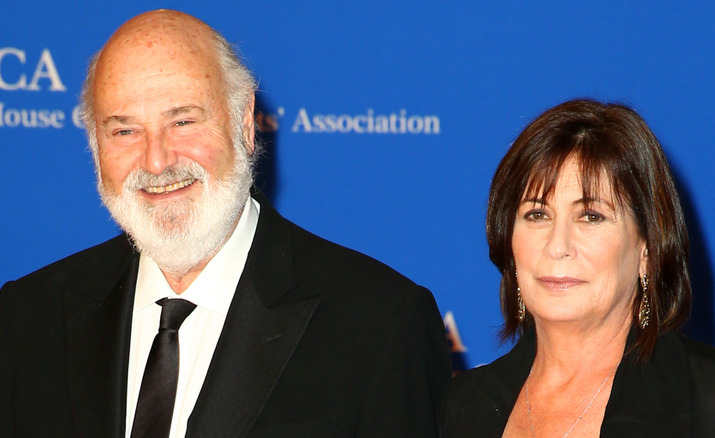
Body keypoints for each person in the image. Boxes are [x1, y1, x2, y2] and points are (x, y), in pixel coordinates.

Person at [0, 10, 450, 437]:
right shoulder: (27, 318)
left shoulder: (379, 323)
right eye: (124, 131)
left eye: (182, 121)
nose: (156, 161)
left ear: (245, 124)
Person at [439, 99, 715, 437]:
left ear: (647, 246)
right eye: (537, 215)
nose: (558, 246)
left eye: (591, 216)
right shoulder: (464, 406)